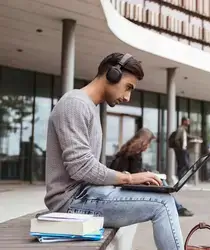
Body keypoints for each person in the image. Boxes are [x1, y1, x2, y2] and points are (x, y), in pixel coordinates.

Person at [44, 52, 183, 250]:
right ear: (112, 74)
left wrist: (131, 180)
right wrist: (130, 179)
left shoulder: (88, 107)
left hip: (85, 193)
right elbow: (81, 168)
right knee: (162, 203)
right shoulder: (74, 104)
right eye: (128, 87)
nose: (127, 97)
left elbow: (87, 169)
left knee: (161, 193)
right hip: (70, 201)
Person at [109, 128, 194, 217]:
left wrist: (147, 172)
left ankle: (177, 208)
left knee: (159, 180)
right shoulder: (132, 154)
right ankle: (178, 208)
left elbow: (134, 171)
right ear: (144, 142)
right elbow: (133, 173)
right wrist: (148, 175)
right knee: (160, 182)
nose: (148, 146)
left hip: (127, 184)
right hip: (126, 186)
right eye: (149, 143)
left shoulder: (129, 150)